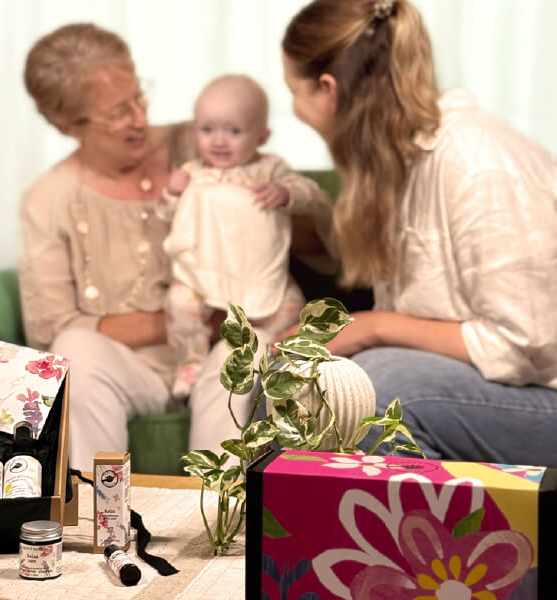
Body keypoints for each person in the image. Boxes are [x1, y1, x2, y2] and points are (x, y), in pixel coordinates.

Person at [19, 23, 332, 469]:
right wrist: (193, 320)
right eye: (117, 113)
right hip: (137, 365)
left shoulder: (206, 139)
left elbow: (315, 240)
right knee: (73, 348)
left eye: (138, 97)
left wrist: (265, 208)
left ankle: (216, 516)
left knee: (244, 347)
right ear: (68, 126)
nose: (140, 118)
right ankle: (96, 517)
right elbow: (51, 328)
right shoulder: (49, 198)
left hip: (228, 340)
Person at [279, 0, 557, 466]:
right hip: (494, 386)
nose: (293, 108)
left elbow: (523, 342)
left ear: (328, 90)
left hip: (542, 394)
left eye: (294, 91)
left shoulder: (476, 163)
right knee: (291, 382)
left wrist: (374, 328)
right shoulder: (399, 166)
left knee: (375, 395)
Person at [157, 74, 330, 399]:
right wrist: (171, 193)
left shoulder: (270, 169)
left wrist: (286, 193)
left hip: (259, 270)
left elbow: (313, 194)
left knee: (292, 308)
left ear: (262, 135)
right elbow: (168, 218)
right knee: (180, 302)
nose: (219, 141)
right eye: (207, 130)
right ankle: (191, 363)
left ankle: (286, 367)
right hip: (204, 268)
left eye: (234, 131)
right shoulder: (194, 172)